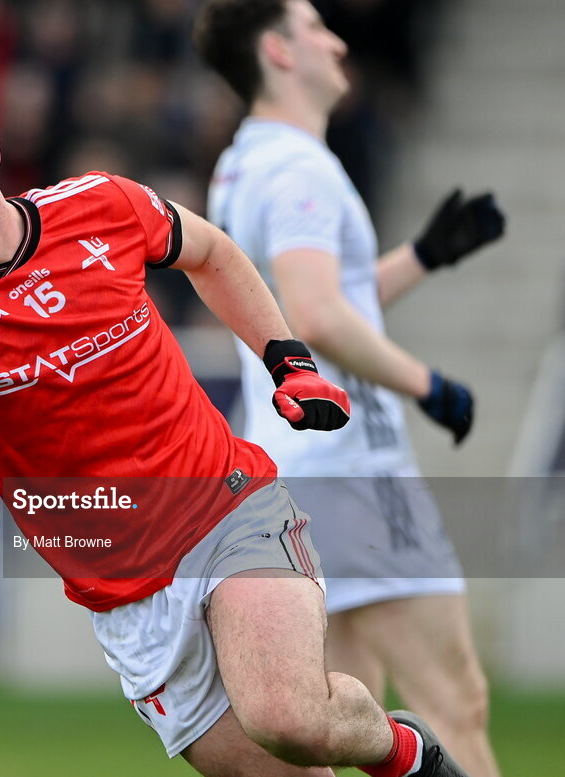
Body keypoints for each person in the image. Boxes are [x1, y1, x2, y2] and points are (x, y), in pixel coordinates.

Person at [0, 57, 473, 777]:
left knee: (290, 715)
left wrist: (288, 360)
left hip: (225, 507)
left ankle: (408, 754)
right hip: (128, 598)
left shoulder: (98, 206)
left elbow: (209, 252)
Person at [194, 3, 504, 777]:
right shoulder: (301, 167)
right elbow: (321, 314)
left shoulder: (242, 163)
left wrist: (424, 255)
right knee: (451, 701)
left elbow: (305, 308)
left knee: (350, 716)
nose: (336, 41)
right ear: (277, 50)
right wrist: (426, 383)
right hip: (354, 470)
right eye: (314, 27)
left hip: (286, 467)